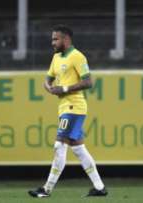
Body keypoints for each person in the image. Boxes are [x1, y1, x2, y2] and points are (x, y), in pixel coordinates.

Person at [28, 25, 107, 198]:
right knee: (78, 149)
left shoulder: (77, 56)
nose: (52, 42)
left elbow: (88, 82)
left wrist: (63, 88)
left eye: (56, 39)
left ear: (66, 39)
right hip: (64, 107)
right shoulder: (56, 58)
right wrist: (49, 87)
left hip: (74, 106)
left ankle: (46, 189)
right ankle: (100, 187)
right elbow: (47, 80)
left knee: (59, 145)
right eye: (52, 39)